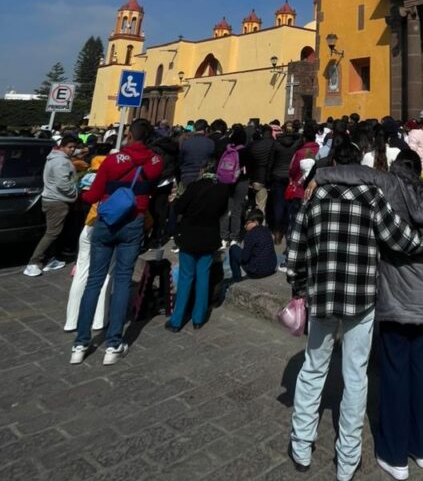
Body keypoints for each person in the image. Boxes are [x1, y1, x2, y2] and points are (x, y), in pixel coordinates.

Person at [286, 137, 423, 481]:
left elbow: (296, 248)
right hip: (360, 297)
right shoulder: (371, 198)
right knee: (356, 376)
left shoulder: (315, 197)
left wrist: (298, 285)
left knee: (313, 366)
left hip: (322, 293)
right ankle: (347, 458)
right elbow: (400, 239)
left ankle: (301, 444)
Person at [313, 146, 423, 480]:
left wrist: (319, 176)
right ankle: (422, 448)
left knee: (394, 375)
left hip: (395, 295)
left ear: (396, 166)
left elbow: (354, 173)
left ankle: (394, 454)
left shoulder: (390, 185)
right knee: (419, 374)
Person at [70, 118, 163, 365]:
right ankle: (113, 344)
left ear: (130, 136)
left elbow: (93, 195)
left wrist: (82, 194)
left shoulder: (111, 161)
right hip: (134, 222)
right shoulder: (155, 161)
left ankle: (80, 343)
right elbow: (154, 176)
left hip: (107, 222)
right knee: (123, 280)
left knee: (95, 281)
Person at [165, 159, 230, 332]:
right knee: (203, 277)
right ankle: (198, 318)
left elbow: (179, 208)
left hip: (189, 236)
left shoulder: (194, 187)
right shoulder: (222, 190)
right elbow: (223, 212)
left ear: (202, 170)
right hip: (209, 238)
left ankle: (177, 320)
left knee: (186, 277)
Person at [64, 136, 114, 331]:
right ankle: (99, 319)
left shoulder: (87, 172)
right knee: (106, 273)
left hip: (89, 224)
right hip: (108, 225)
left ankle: (71, 320)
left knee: (82, 272)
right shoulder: (117, 176)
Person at [24, 133, 79, 276]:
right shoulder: (61, 161)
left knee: (53, 232)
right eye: (69, 147)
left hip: (52, 198)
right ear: (62, 147)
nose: (72, 150)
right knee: (51, 233)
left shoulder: (54, 158)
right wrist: (75, 193)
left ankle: (49, 259)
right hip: (58, 201)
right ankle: (33, 263)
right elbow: (63, 184)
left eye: (74, 147)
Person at [229, 207, 277, 280]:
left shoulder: (250, 234)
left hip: (257, 272)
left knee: (233, 248)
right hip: (271, 268)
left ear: (255, 222)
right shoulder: (267, 230)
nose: (245, 226)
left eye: (247, 223)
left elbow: (245, 258)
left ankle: (236, 277)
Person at [242, 123, 275, 214]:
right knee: (262, 206)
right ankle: (259, 224)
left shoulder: (253, 145)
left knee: (254, 204)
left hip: (254, 178)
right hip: (267, 178)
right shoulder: (274, 144)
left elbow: (247, 161)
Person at [178, 120, 214, 190]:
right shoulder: (211, 143)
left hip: (186, 175)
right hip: (203, 175)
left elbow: (180, 159)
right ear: (206, 129)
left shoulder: (186, 142)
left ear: (194, 128)